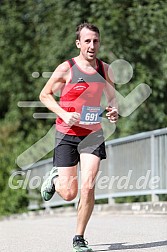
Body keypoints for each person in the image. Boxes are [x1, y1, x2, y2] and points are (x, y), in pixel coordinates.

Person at [39, 23, 118, 252]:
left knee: (88, 185)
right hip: (66, 133)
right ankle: (54, 179)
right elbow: (44, 95)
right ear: (78, 44)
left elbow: (112, 98)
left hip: (93, 133)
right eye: (87, 41)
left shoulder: (105, 69)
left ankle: (79, 237)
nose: (92, 45)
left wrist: (113, 111)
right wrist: (64, 113)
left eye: (95, 41)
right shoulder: (67, 68)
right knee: (69, 193)